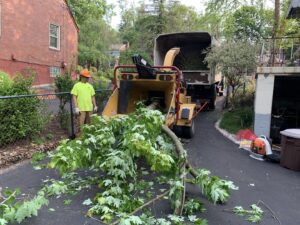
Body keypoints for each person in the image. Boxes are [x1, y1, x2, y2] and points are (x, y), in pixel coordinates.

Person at [71, 69, 97, 134]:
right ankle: (80, 139)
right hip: (81, 108)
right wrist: (76, 107)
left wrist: (95, 106)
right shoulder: (77, 85)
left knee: (89, 124)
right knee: (80, 125)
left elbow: (92, 96)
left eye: (88, 77)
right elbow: (74, 96)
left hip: (89, 108)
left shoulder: (90, 86)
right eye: (87, 77)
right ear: (82, 77)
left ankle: (88, 137)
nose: (88, 78)